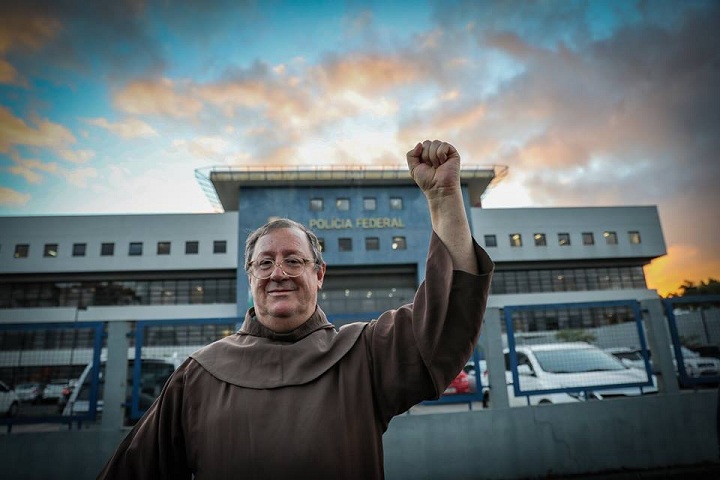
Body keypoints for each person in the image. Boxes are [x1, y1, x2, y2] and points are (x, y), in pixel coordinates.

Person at [98, 140, 494, 480]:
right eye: (265, 263)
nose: (279, 273)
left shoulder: (364, 353)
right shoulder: (198, 374)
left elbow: (448, 316)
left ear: (319, 273)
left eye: (294, 260)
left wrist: (444, 200)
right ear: (249, 277)